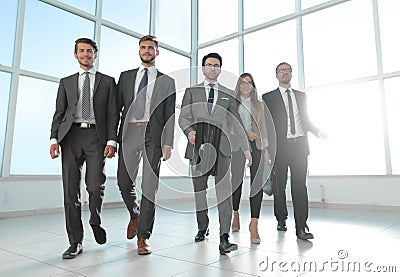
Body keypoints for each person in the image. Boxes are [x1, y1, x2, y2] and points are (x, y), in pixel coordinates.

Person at [50, 38, 118, 259]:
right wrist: (53, 140)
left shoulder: (108, 82)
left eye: (89, 51)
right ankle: (75, 241)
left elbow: (112, 114)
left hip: (96, 136)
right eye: (81, 51)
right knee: (70, 191)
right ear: (75, 54)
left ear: (95, 54)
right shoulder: (66, 82)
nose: (85, 54)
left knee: (95, 185)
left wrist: (111, 140)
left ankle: (95, 220)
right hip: (70, 137)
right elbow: (59, 113)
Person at [179, 53, 252, 254]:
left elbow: (236, 122)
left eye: (216, 65)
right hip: (198, 147)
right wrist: (189, 131)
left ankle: (224, 237)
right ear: (203, 68)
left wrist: (246, 148)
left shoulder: (228, 93)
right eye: (209, 65)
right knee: (200, 191)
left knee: (224, 194)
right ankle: (202, 226)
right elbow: (183, 117)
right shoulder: (192, 91)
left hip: (223, 149)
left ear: (220, 69)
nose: (212, 68)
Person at [116, 35, 176, 255]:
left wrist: (168, 142)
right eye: (143, 47)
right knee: (124, 181)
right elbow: (115, 110)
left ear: (157, 52)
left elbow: (170, 114)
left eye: (151, 48)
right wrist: (112, 139)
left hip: (154, 133)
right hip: (130, 131)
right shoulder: (125, 77)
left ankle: (143, 237)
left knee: (150, 186)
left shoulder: (167, 81)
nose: (147, 50)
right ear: (139, 51)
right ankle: (135, 214)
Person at [262, 62, 326, 240]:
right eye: (281, 70)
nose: (285, 73)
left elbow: (305, 119)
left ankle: (301, 226)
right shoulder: (268, 97)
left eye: (288, 70)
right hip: (280, 148)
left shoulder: (301, 96)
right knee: (279, 186)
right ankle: (281, 218)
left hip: (299, 147)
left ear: (291, 74)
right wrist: (267, 149)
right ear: (276, 75)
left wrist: (319, 132)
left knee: (299, 186)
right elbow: (266, 125)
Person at [230, 73, 270, 244]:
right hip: (237, 145)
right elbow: (230, 124)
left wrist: (266, 149)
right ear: (238, 86)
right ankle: (235, 214)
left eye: (249, 83)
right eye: (242, 83)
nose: (245, 86)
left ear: (253, 86)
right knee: (236, 181)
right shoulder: (232, 103)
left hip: (257, 145)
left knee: (256, 184)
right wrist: (245, 133)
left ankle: (254, 223)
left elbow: (265, 128)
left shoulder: (260, 105)